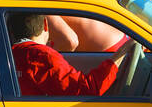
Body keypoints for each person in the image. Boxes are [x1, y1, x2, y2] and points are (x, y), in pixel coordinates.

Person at [8, 12, 137, 97]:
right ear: (46, 25)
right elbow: (87, 91)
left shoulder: (7, 55)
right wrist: (121, 52)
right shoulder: (41, 56)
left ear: (12, 31)